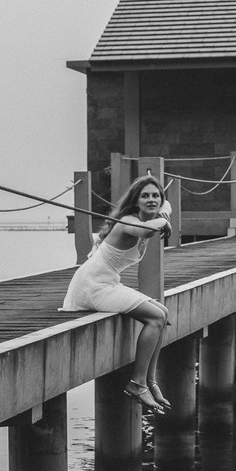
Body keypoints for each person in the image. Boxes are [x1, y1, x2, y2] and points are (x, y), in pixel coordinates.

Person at [60, 174, 172, 415]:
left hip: (108, 281)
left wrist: (163, 213)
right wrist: (163, 221)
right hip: (93, 285)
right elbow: (145, 230)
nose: (151, 199)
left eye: (156, 196)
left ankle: (150, 381)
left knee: (163, 313)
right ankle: (137, 383)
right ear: (135, 200)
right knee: (155, 317)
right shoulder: (129, 221)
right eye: (145, 196)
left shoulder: (152, 215)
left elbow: (164, 210)